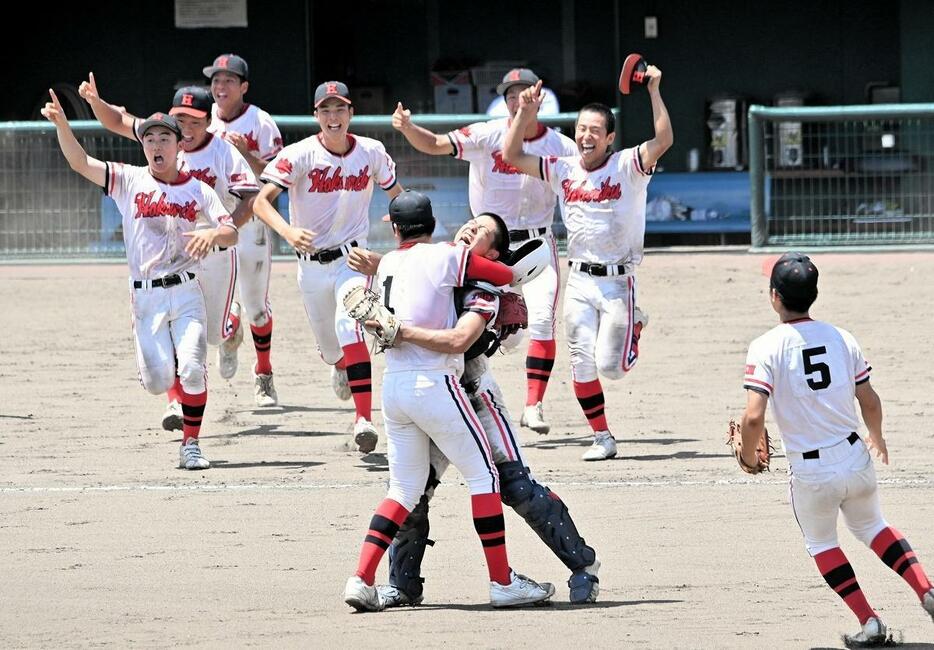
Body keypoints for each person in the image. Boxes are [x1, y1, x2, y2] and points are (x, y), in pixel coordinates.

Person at [349, 212, 601, 607]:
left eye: (482, 230)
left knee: (515, 486)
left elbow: (462, 338)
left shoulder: (484, 288)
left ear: (496, 252)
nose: (469, 227)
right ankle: (402, 584)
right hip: (431, 394)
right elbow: (416, 266)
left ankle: (583, 566)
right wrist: (381, 262)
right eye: (468, 222)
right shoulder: (442, 261)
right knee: (413, 494)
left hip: (474, 394)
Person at [740, 253, 934, 646]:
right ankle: (926, 590)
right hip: (853, 455)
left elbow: (754, 418)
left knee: (822, 544)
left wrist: (747, 455)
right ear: (814, 294)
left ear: (774, 297)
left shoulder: (765, 346)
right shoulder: (842, 336)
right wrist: (876, 436)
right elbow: (870, 399)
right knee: (873, 527)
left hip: (811, 474)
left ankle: (870, 621)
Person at [41, 91, 238, 469]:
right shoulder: (127, 180)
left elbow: (231, 234)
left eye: (164, 137)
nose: (156, 143)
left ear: (179, 145)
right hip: (145, 299)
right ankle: (171, 388)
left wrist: (212, 235)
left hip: (186, 292)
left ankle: (191, 445)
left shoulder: (199, 189)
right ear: (143, 146)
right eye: (149, 138)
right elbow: (81, 163)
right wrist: (63, 126)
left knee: (194, 367)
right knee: (157, 379)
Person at [392, 67, 578, 436]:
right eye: (510, 94)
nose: (517, 100)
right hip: (485, 245)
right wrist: (408, 127)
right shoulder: (485, 134)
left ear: (539, 98)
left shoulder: (561, 146)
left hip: (535, 244)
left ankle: (533, 405)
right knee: (485, 330)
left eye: (524, 92)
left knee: (542, 319)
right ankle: (464, 394)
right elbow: (434, 144)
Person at [502, 72, 673, 461]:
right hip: (579, 278)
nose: (586, 135)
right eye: (581, 128)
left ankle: (635, 324)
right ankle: (602, 437)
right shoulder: (563, 168)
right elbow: (511, 156)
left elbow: (663, 140)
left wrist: (654, 90)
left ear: (610, 138)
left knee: (611, 368)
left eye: (595, 129)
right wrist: (523, 115)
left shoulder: (629, 165)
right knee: (581, 363)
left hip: (617, 282)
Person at [77, 75, 260, 430]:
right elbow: (118, 120)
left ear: (209, 120)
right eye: (181, 119)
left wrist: (222, 232)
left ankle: (231, 325)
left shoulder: (223, 150)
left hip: (216, 247)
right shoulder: (164, 137)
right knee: (177, 330)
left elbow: (250, 199)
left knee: (212, 335)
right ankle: (176, 401)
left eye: (194, 120)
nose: (186, 127)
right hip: (169, 257)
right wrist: (95, 102)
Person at [253, 81, 402, 453]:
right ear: (316, 115)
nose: (333, 117)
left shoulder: (372, 152)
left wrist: (405, 224)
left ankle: (363, 419)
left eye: (340, 109)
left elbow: (399, 195)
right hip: (311, 266)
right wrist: (287, 231)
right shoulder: (300, 154)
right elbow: (260, 202)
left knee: (349, 324)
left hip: (353, 259)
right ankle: (339, 366)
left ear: (351, 113)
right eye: (326, 110)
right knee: (332, 347)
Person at [203, 53, 284, 407]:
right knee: (215, 306)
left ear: (244, 86)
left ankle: (263, 374)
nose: (221, 87)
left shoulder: (261, 122)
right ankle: (228, 334)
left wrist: (247, 153)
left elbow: (279, 174)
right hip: (213, 223)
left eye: (229, 81)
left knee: (257, 307)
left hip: (250, 221)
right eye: (216, 81)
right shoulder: (199, 121)